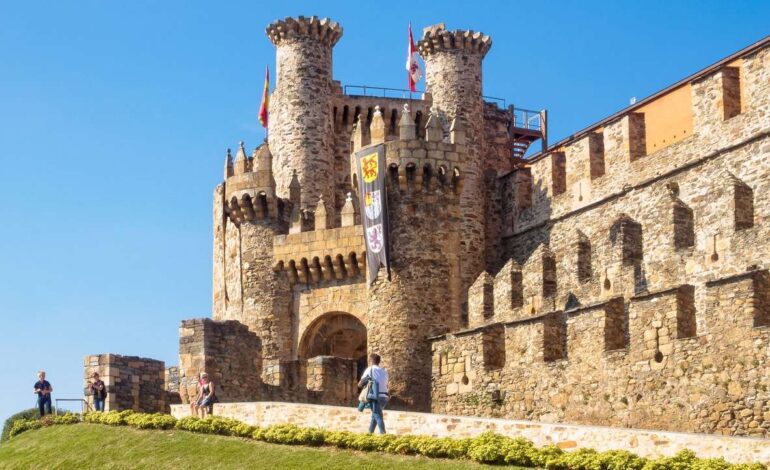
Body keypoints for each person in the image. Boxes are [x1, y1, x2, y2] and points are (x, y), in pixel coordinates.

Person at [358, 353, 389, 434]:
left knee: (378, 416)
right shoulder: (384, 371)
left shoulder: (370, 369)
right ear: (379, 361)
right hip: (384, 396)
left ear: (370, 361)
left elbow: (362, 382)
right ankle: (369, 433)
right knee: (374, 416)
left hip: (375, 396)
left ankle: (383, 435)